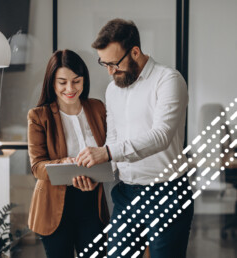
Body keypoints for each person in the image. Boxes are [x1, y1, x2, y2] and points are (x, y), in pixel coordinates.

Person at [76, 18, 194, 258]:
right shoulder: (113, 89)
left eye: (114, 64)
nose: (110, 71)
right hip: (127, 193)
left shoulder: (168, 80)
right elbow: (114, 139)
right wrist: (95, 169)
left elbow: (161, 136)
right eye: (104, 64)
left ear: (135, 52)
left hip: (167, 193)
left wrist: (107, 152)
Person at [27, 49, 109, 258]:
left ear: (84, 80)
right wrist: (66, 163)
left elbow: (110, 151)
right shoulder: (39, 116)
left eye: (76, 81)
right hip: (54, 208)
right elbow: (37, 167)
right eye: (62, 82)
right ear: (52, 83)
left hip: (92, 204)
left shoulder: (97, 108)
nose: (70, 88)